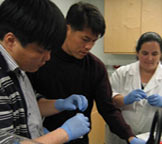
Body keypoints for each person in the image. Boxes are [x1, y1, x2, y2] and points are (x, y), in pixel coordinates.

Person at [28, 2, 146, 144]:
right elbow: (27, 102)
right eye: (85, 39)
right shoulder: (42, 58)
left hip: (79, 139)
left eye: (94, 41)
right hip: (40, 138)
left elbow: (108, 109)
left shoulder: (95, 67)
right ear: (67, 28)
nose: (89, 46)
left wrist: (130, 137)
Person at [0, 0, 90, 144]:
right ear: (11, 41)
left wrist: (59, 104)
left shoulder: (17, 70)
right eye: (41, 51)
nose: (47, 58)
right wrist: (64, 133)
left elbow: (28, 106)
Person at [105, 31, 162, 144]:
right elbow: (107, 100)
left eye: (154, 54)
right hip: (120, 137)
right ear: (137, 52)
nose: (149, 58)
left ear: (161, 54)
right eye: (145, 53)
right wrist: (124, 100)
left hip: (152, 136)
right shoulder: (122, 73)